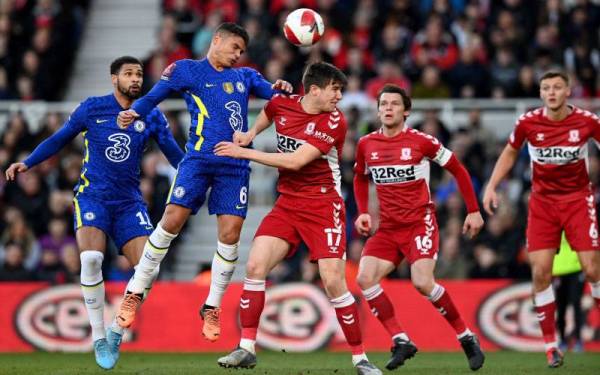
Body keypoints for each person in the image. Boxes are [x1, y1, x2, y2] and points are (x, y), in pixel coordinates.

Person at [115, 22, 292, 342]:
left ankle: (212, 306)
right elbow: (153, 97)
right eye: (235, 47)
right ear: (217, 40)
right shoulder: (185, 70)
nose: (238, 55)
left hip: (235, 163)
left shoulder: (245, 76)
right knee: (171, 221)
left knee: (231, 234)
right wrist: (133, 113)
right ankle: (135, 292)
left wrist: (283, 88)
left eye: (242, 51)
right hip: (196, 161)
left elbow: (277, 97)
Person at [4, 56, 184, 369]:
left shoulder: (151, 114)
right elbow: (60, 138)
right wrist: (29, 161)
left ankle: (116, 330)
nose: (135, 79)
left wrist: (197, 176)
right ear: (114, 79)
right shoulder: (93, 107)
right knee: (90, 259)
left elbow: (173, 154)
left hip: (129, 202)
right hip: (93, 197)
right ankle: (98, 335)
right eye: (128, 74)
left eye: (139, 74)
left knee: (149, 269)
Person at [213, 62, 382, 375]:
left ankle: (361, 359)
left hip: (323, 205)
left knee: (333, 281)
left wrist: (245, 151)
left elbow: (295, 161)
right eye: (335, 89)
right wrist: (250, 132)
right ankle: (246, 348)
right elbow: (271, 110)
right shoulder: (283, 103)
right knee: (254, 266)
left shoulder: (334, 121)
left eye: (341, 91)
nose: (339, 96)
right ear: (314, 89)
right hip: (288, 204)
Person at [353, 84, 485, 371]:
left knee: (422, 281)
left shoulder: (422, 142)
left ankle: (466, 337)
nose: (387, 108)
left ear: (406, 111)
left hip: (419, 224)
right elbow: (360, 177)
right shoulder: (366, 144)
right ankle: (401, 340)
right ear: (377, 110)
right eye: (383, 104)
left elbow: (458, 170)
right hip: (388, 228)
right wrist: (363, 212)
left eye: (394, 104)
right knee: (364, 278)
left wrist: (474, 210)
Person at [483, 71, 600, 368]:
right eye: (546, 88)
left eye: (557, 87)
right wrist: (492, 185)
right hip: (542, 203)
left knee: (592, 268)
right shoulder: (528, 123)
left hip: (577, 200)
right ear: (540, 93)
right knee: (540, 273)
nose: (551, 92)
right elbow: (510, 152)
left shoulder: (587, 121)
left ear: (567, 91)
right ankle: (551, 347)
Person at [553, 233, 585, 353]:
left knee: (576, 304)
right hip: (559, 270)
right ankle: (562, 340)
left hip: (577, 268)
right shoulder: (553, 221)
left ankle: (578, 340)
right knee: (561, 308)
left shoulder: (575, 219)